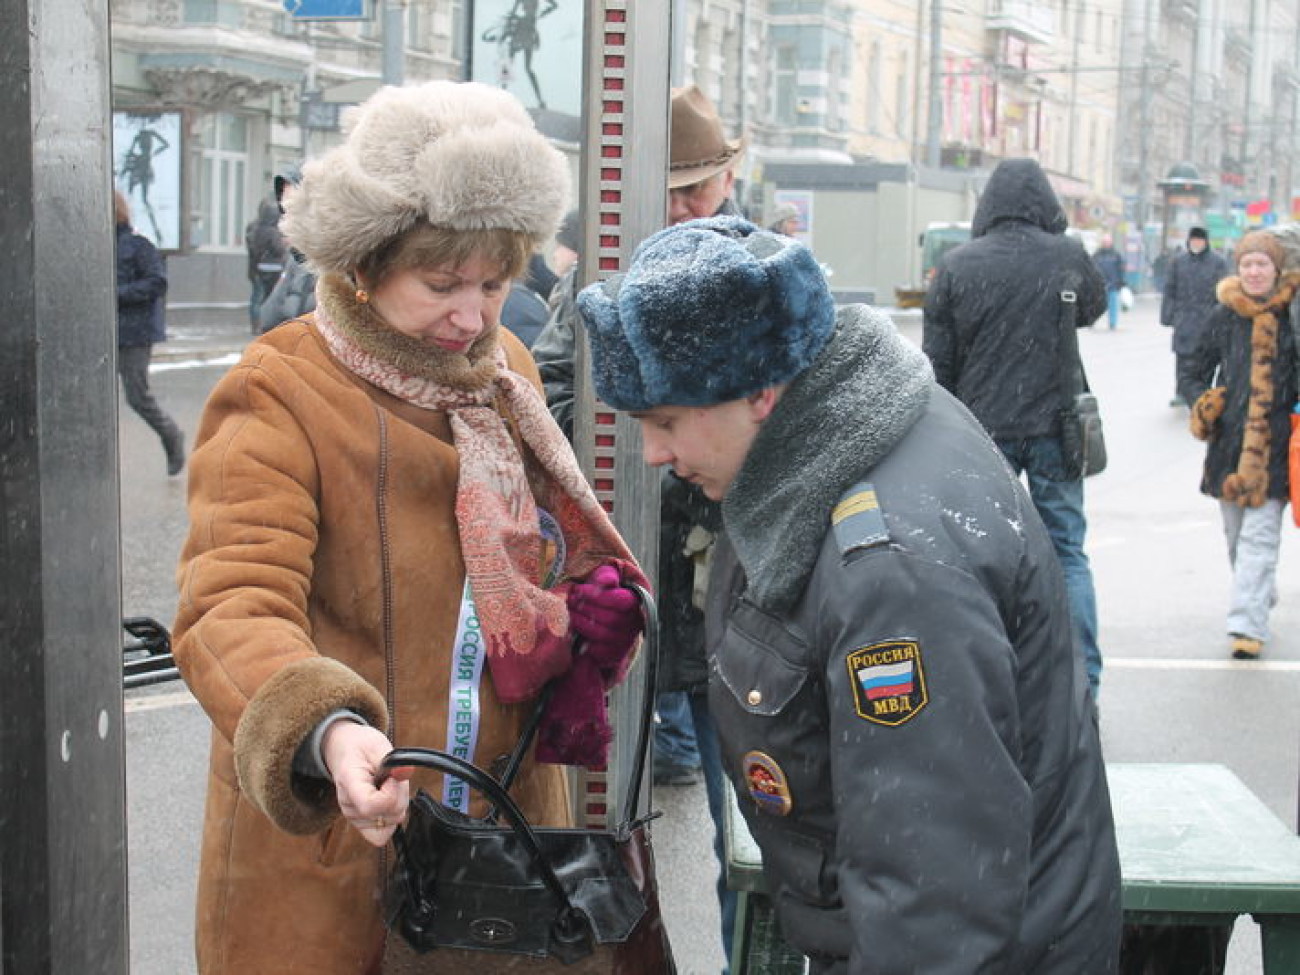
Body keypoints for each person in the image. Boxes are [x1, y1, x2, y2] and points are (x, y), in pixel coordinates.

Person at [171, 80, 649, 975]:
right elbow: (228, 604)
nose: (472, 316)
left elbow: (530, 552)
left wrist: (583, 599)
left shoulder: (501, 369)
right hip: (342, 839)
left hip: (498, 833)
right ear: (364, 262)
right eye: (440, 283)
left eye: (495, 282)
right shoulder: (280, 388)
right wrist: (327, 729)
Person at [577, 215, 1122, 973]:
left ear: (761, 389)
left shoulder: (888, 570)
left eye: (667, 420)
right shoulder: (849, 433)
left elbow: (933, 903)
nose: (654, 453)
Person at [531, 81, 746, 966]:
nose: (691, 204)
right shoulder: (592, 281)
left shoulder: (761, 275)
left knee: (754, 835)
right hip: (618, 589)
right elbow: (541, 398)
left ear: (733, 177)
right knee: (589, 826)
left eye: (706, 183)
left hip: (733, 601)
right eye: (676, 185)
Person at [923, 157, 1108, 697]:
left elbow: (939, 364)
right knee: (1067, 551)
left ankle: (992, 678)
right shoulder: (1067, 256)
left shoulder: (958, 265)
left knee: (984, 555)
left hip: (983, 434)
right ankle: (1082, 682)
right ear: (1047, 204)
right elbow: (1092, 308)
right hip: (1057, 428)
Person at [1180, 230, 1298, 661]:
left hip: (1276, 449)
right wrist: (1204, 402)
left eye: (1261, 264)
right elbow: (1192, 370)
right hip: (1228, 447)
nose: (1253, 271)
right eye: (1247, 263)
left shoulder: (1293, 315)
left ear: (1276, 269)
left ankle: (1247, 625)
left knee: (1259, 539)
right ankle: (1257, 595)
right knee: (1235, 538)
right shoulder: (1224, 316)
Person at [114, 189, 186, 476]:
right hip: (101, 334)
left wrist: (118, 294)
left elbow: (158, 282)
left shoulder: (137, 245)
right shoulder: (93, 245)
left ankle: (171, 435)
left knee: (137, 397)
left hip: (134, 334)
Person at [1162, 227, 1228, 407]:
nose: (1196, 244)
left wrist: (1220, 315)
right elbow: (1170, 288)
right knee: (1182, 358)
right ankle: (1181, 392)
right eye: (1193, 240)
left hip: (1208, 319)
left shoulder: (1218, 262)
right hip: (1184, 318)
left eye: (1199, 240)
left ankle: (1203, 393)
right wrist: (1167, 315)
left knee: (1205, 358)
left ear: (1206, 242)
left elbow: (1223, 291)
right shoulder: (1178, 262)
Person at [258, 165, 317, 334]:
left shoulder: (338, 264)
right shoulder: (296, 259)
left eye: (293, 208)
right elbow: (269, 317)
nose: (285, 220)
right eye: (284, 210)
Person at [245, 196, 287, 333]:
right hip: (274, 268)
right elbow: (279, 249)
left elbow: (252, 250)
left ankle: (255, 324)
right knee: (270, 297)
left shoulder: (253, 228)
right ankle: (267, 323)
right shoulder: (274, 232)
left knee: (257, 297)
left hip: (257, 268)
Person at [1093, 231, 1127, 329]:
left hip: (1113, 284)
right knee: (1096, 305)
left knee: (1113, 305)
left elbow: (1121, 269)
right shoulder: (1097, 255)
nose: (1106, 243)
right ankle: (1092, 321)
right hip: (1099, 284)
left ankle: (1112, 323)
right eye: (1104, 242)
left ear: (1111, 242)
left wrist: (1121, 281)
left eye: (1107, 241)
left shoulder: (1116, 255)